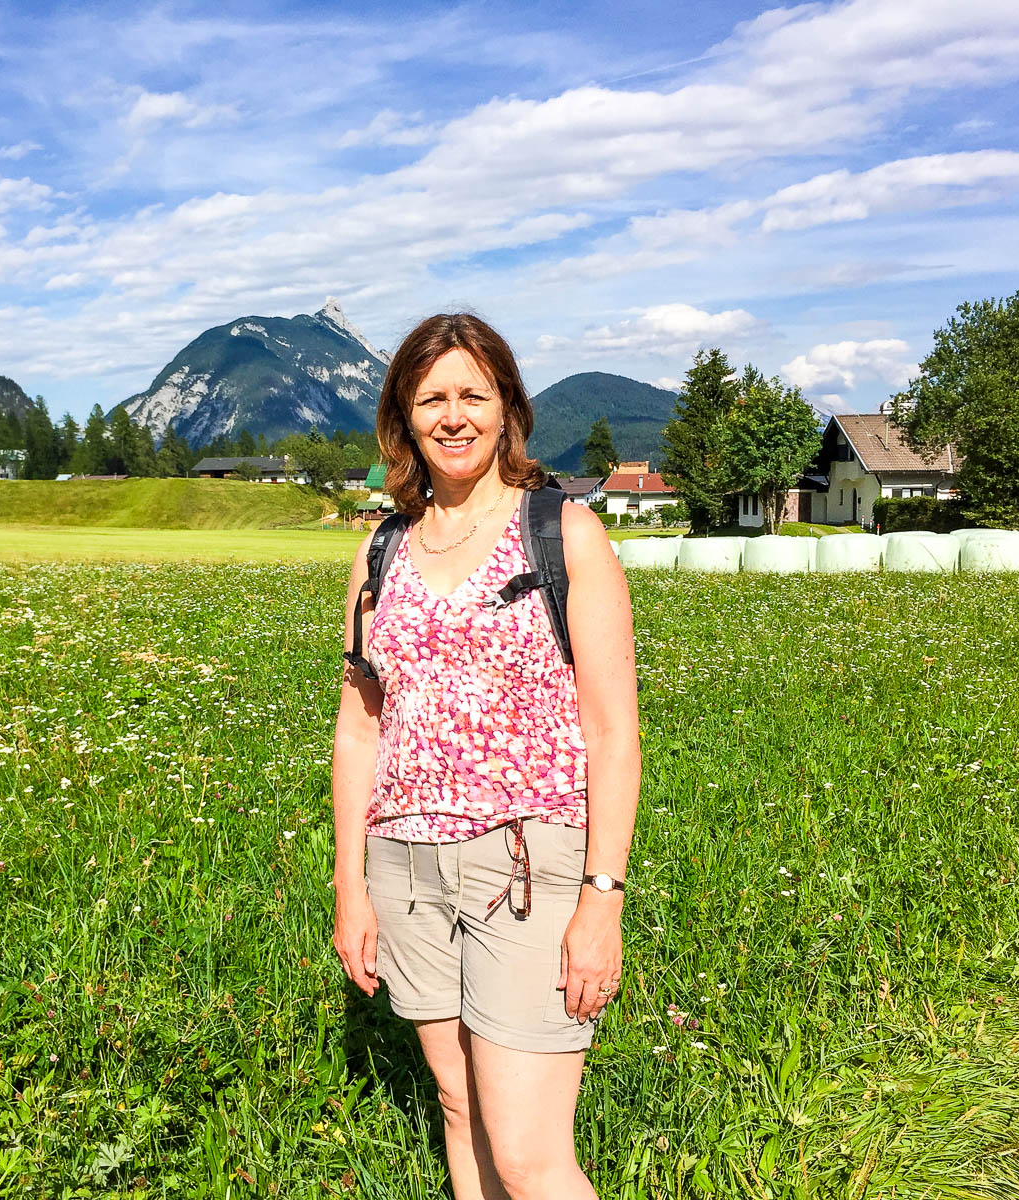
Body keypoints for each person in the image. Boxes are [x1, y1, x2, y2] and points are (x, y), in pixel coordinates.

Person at [331, 312, 641, 1199]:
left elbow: (615, 732)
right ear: (404, 417)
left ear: (508, 411)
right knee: (461, 1115)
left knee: (530, 1152)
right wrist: (351, 884)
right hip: (404, 869)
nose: (454, 415)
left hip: (526, 869)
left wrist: (601, 900)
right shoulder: (380, 551)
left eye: (475, 394)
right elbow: (360, 726)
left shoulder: (562, 534)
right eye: (433, 398)